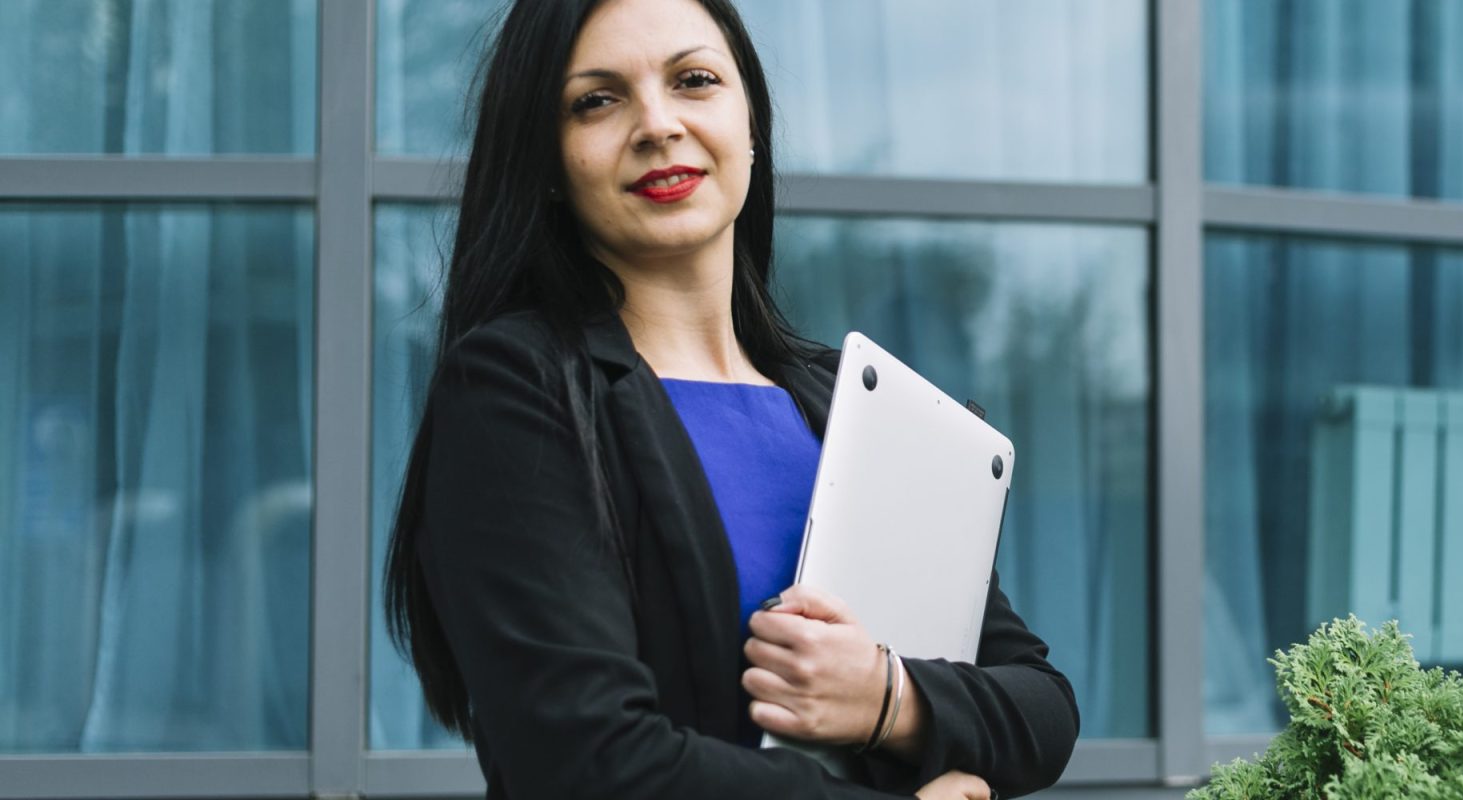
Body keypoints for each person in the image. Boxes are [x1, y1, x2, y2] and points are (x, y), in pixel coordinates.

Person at [377, 0, 1079, 797]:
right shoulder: (518, 386)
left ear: (751, 125)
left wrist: (888, 699)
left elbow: (1041, 705)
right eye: (597, 100)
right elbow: (585, 760)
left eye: (695, 80)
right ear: (546, 160)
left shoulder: (853, 404)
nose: (657, 124)